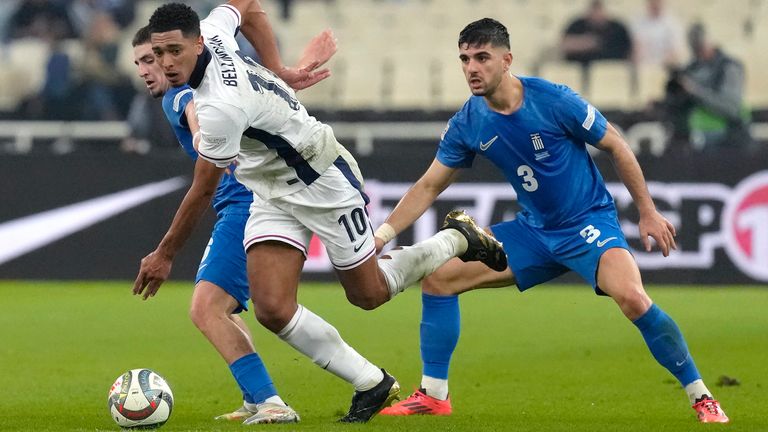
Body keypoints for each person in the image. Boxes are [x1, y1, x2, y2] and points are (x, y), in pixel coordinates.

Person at [134, 1, 506, 423]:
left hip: (320, 178)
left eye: (174, 52)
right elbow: (249, 5)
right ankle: (371, 382)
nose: (165, 63)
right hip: (270, 188)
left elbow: (203, 189)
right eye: (158, 53)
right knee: (272, 308)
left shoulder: (218, 106)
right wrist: (279, 70)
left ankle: (456, 238)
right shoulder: (214, 30)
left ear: (198, 44)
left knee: (369, 294)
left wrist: (165, 253)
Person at [375, 18, 729, 424]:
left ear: (507, 60)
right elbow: (426, 186)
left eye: (482, 57)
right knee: (439, 278)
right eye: (465, 59)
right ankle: (434, 396)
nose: (472, 68)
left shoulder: (553, 99)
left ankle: (702, 396)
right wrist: (382, 235)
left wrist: (647, 211)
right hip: (534, 232)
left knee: (632, 298)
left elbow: (616, 143)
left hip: (587, 224)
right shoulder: (468, 121)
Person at [129, 9, 337, 425]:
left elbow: (199, 122)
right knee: (219, 308)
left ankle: (272, 402)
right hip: (243, 200)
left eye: (154, 58)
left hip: (247, 202)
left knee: (206, 309)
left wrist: (164, 252)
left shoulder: (184, 94)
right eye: (143, 61)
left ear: (187, 50)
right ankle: (256, 397)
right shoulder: (194, 84)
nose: (150, 69)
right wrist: (279, 69)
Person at [663, 23, 751, 153]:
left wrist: (695, 91)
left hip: (728, 139)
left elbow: (731, 107)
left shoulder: (728, 68)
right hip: (696, 140)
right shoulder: (692, 68)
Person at [561, 0, 632, 66]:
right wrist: (584, 43)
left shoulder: (617, 27)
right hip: (582, 68)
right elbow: (564, 45)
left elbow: (630, 49)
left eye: (599, 11)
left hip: (614, 68)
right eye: (594, 11)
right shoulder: (577, 25)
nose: (597, 14)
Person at [630, 0, 685, 67]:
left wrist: (660, 66)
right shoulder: (638, 23)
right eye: (652, 2)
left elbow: (675, 52)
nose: (655, 4)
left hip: (665, 68)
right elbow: (636, 49)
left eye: (658, 2)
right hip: (643, 67)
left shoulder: (673, 24)